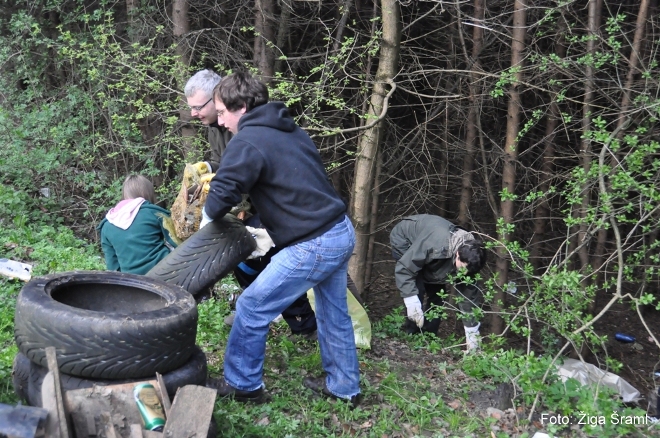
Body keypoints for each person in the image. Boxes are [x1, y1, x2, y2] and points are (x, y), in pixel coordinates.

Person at [201, 71, 361, 408]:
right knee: (334, 313)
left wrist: (206, 223)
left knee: (253, 305)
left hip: (314, 243)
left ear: (241, 107)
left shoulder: (247, 140)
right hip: (339, 229)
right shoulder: (289, 128)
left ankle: (244, 384)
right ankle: (345, 388)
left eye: (222, 113)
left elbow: (218, 200)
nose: (221, 121)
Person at [389, 214, 487, 351]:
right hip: (406, 238)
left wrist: (472, 334)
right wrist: (411, 300)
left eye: (467, 272)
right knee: (417, 289)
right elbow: (405, 268)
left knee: (438, 294)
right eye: (462, 269)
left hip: (436, 252)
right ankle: (411, 335)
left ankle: (429, 336)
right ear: (458, 254)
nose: (463, 274)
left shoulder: (472, 257)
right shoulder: (436, 245)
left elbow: (468, 297)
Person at [98, 175, 178, 275]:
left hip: (135, 283)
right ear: (148, 193)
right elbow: (177, 242)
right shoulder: (154, 213)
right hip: (165, 272)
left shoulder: (106, 226)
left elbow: (113, 268)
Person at [184, 69, 233, 174]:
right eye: (191, 107)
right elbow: (221, 164)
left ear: (216, 98)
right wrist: (208, 167)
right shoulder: (213, 126)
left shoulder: (238, 125)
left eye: (198, 107)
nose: (193, 114)